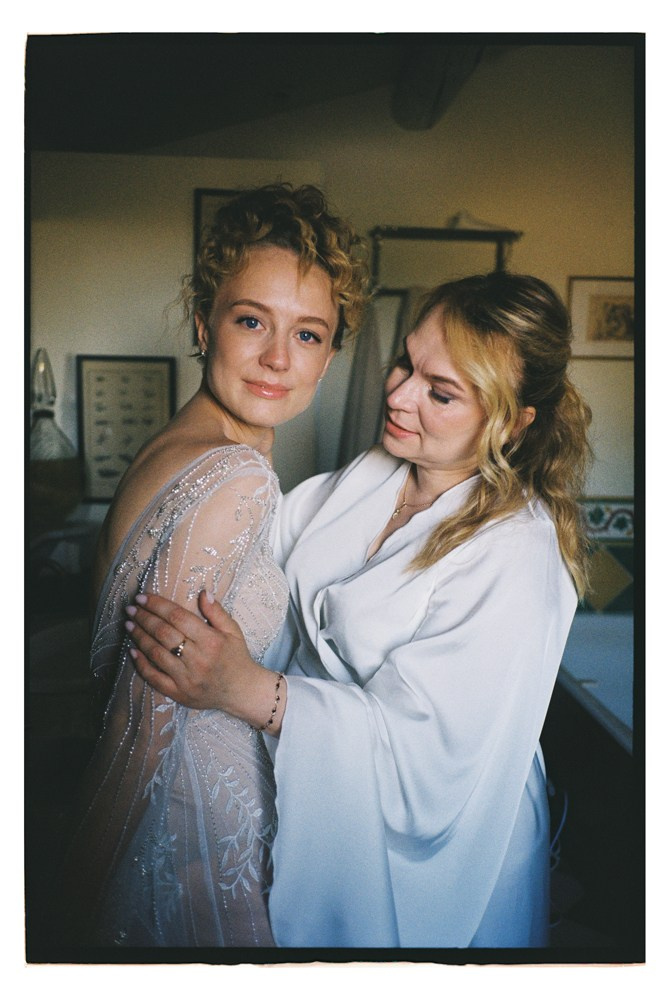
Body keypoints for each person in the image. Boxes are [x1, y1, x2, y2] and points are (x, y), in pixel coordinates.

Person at [125, 271, 592, 949]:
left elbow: (426, 759)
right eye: (405, 361)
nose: (398, 395)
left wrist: (245, 689)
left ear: (515, 421)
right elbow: (260, 558)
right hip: (315, 786)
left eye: (441, 392)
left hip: (431, 838)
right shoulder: (373, 475)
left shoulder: (518, 552)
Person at [53, 183, 368, 949]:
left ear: (329, 358)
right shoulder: (232, 476)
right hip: (189, 851)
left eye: (308, 335)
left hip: (192, 836)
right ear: (204, 326)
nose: (276, 358)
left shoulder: (174, 450)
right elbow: (137, 727)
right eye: (251, 320)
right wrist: (60, 926)